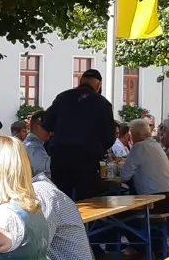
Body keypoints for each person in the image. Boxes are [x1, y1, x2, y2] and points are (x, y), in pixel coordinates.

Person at [41, 68, 116, 201]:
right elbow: (109, 136)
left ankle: (61, 221)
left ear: (80, 82)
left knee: (61, 197)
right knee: (86, 199)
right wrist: (99, 149)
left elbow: (46, 122)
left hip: (61, 154)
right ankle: (84, 222)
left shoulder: (63, 97)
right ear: (98, 86)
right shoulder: (103, 103)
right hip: (87, 157)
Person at [118, 118, 169, 213]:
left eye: (130, 134)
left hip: (154, 202)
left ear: (136, 134)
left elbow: (124, 176)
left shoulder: (139, 147)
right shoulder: (156, 145)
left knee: (117, 211)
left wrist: (118, 167)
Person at [23, 111, 52, 177]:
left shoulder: (38, 143)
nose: (51, 132)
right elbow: (45, 165)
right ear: (36, 126)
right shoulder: (31, 145)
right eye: (48, 128)